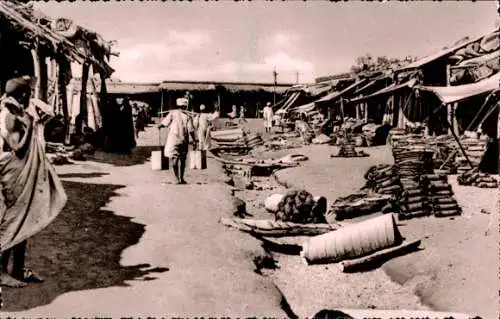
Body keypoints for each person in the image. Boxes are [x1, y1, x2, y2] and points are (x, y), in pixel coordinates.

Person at [0, 76, 64, 287]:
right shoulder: (8, 116)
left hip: (20, 172)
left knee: (25, 220)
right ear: (22, 95)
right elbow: (17, 148)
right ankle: (1, 272)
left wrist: (35, 123)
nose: (29, 98)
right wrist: (31, 127)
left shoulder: (18, 113)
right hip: (13, 173)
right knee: (13, 220)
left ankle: (18, 269)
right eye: (27, 94)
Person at [158, 98, 196, 184]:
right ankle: (181, 178)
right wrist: (194, 140)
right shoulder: (188, 116)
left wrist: (160, 125)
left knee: (174, 158)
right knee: (182, 159)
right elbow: (191, 130)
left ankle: (176, 178)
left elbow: (165, 123)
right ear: (185, 106)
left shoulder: (172, 113)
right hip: (183, 139)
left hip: (173, 138)